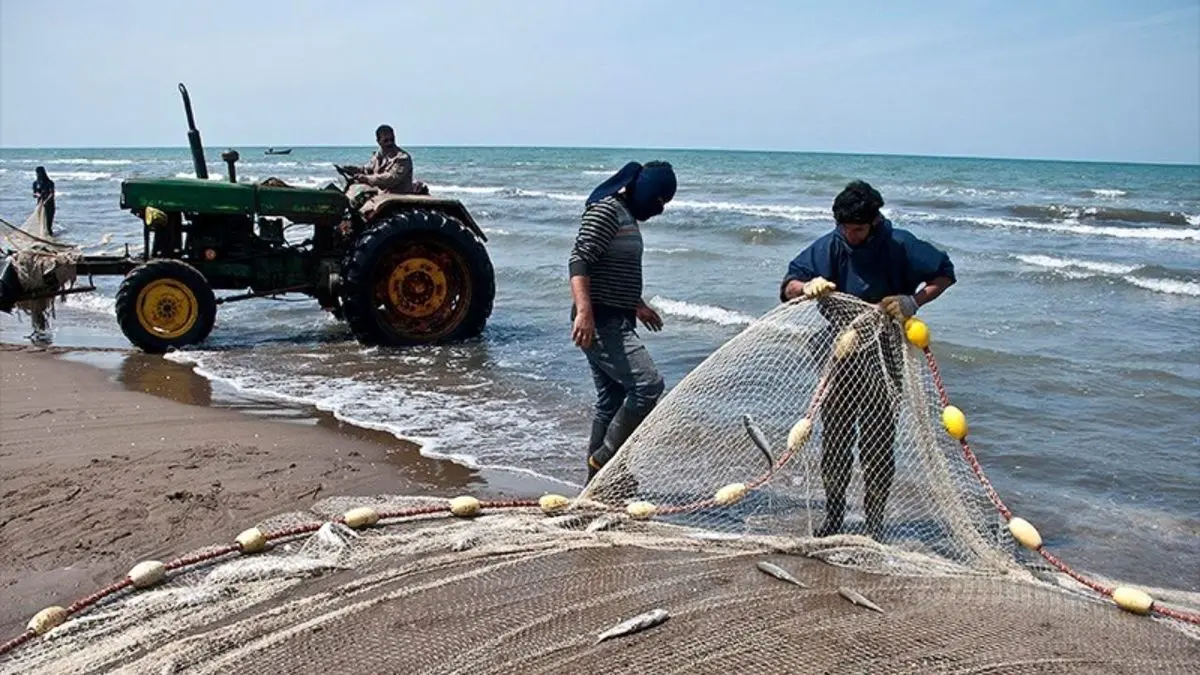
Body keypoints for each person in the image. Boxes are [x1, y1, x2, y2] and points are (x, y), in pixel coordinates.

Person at [779, 179, 956, 539]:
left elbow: (945, 274)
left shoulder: (900, 244)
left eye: (857, 229)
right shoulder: (832, 244)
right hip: (839, 350)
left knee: (877, 440)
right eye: (843, 227)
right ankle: (834, 518)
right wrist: (807, 286)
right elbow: (789, 285)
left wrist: (913, 302)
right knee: (836, 437)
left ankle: (874, 524)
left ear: (874, 222)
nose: (850, 235)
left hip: (886, 350)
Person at [569, 161, 677, 483]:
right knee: (648, 386)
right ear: (645, 190)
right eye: (659, 200)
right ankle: (606, 462)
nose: (659, 209)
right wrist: (585, 313)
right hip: (600, 321)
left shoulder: (627, 216)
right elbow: (579, 261)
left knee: (611, 401)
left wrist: (638, 305)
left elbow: (613, 269)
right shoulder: (606, 211)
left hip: (617, 316)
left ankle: (595, 485)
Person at [337, 124, 424, 197]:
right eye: (386, 140)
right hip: (383, 196)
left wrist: (366, 179)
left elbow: (391, 179)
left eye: (392, 139)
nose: (390, 143)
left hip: (398, 198)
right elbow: (366, 170)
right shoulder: (379, 156)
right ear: (378, 141)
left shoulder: (402, 158)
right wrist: (351, 170)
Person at [32, 167, 56, 236]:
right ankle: (43, 237)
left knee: (48, 225)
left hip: (50, 206)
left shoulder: (50, 183)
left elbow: (52, 194)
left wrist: (46, 201)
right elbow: (34, 194)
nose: (38, 175)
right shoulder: (35, 183)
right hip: (40, 206)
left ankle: (51, 238)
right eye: (37, 173)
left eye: (39, 173)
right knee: (41, 224)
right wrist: (37, 194)